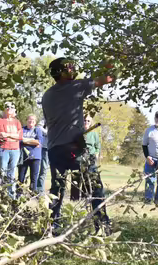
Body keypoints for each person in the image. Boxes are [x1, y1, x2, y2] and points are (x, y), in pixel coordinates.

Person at [42, 57, 115, 234]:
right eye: (70, 67)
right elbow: (107, 78)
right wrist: (109, 61)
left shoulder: (47, 95)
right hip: (74, 148)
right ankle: (102, 224)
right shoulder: (76, 87)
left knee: (57, 188)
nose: (74, 69)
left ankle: (53, 226)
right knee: (95, 185)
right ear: (62, 72)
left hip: (54, 148)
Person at [70, 115, 105, 205]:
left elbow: (97, 146)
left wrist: (96, 155)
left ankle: (86, 197)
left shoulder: (94, 133)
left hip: (90, 157)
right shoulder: (77, 132)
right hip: (78, 156)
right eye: (85, 120)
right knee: (76, 177)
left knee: (88, 177)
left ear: (91, 122)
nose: (86, 122)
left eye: (88, 121)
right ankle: (74, 199)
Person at [0, 102, 22, 198]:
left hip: (15, 150)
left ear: (15, 110)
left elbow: (20, 136)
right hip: (3, 149)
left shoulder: (17, 122)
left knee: (11, 174)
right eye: (7, 106)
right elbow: (2, 136)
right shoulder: (0, 121)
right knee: (2, 173)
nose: (9, 108)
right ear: (4, 109)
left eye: (12, 107)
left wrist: (8, 135)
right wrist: (13, 136)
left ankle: (11, 197)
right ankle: (1, 196)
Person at [18, 114, 43, 193]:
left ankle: (33, 193)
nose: (31, 121)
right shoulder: (22, 129)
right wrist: (32, 140)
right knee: (21, 176)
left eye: (33, 120)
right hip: (24, 156)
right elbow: (19, 140)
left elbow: (38, 141)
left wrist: (26, 140)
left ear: (35, 122)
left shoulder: (38, 130)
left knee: (34, 177)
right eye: (29, 119)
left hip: (35, 157)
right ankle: (19, 193)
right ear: (27, 120)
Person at [37, 120, 49, 194]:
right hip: (45, 148)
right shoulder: (45, 118)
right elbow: (38, 127)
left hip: (55, 148)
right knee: (43, 169)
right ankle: (39, 190)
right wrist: (47, 132)